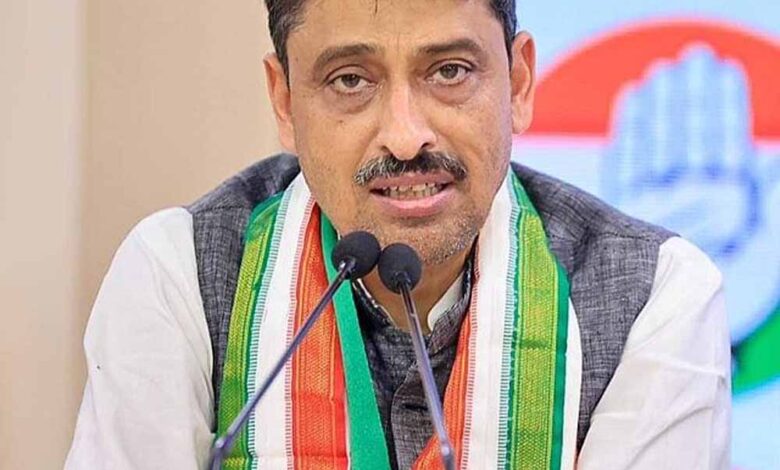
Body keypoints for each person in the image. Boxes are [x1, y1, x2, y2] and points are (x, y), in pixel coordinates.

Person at [65, 0, 731, 468]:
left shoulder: (654, 293)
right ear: (284, 100)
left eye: (450, 72)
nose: (406, 136)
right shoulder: (177, 271)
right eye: (350, 80)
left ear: (519, 82)